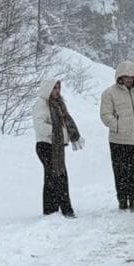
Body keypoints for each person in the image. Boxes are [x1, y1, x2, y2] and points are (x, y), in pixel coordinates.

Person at [99, 61, 134, 212]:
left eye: (132, 76)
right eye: (126, 77)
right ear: (120, 77)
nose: (129, 79)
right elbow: (105, 115)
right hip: (119, 140)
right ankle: (123, 200)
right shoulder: (109, 93)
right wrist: (117, 126)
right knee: (121, 171)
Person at [32, 78, 84, 218]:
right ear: (47, 89)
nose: (56, 91)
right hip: (45, 145)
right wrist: (58, 131)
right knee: (55, 177)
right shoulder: (41, 105)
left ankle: (53, 210)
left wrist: (67, 133)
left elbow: (65, 122)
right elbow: (40, 126)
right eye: (54, 88)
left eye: (58, 88)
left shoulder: (58, 105)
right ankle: (60, 210)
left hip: (56, 146)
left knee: (57, 176)